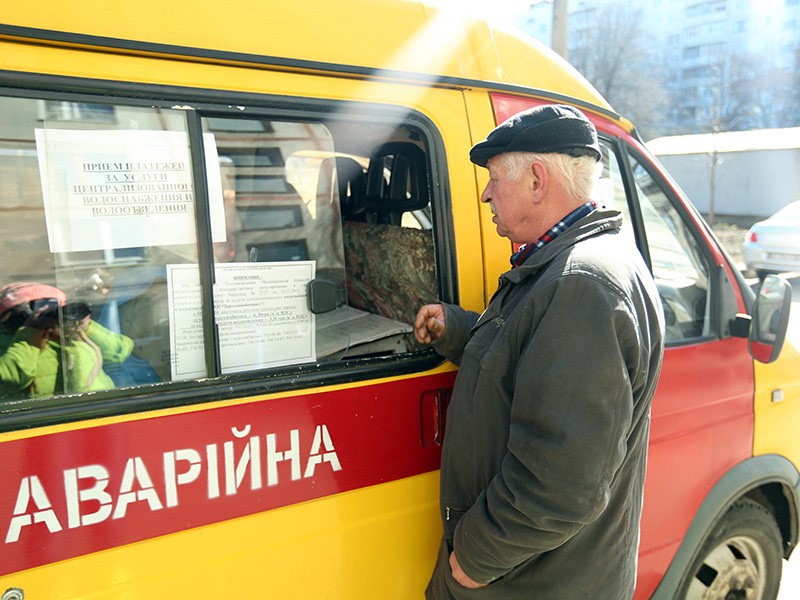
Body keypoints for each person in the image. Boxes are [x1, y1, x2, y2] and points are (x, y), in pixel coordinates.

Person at [415, 105, 666, 599]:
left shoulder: (582, 285)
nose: (485, 193)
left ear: (536, 180)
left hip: (529, 582)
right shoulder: (569, 263)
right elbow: (529, 354)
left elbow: (559, 483)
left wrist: (471, 560)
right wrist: (459, 329)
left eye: (492, 178)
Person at [0, 281, 134, 400]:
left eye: (54, 307)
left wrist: (87, 328)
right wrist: (29, 334)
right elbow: (11, 378)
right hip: (52, 420)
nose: (48, 313)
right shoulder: (10, 341)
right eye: (37, 307)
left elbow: (119, 353)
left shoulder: (72, 331)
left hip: (100, 410)